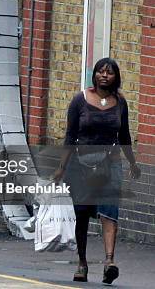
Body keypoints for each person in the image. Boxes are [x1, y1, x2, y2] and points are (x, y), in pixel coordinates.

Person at [53, 57, 141, 284]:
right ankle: (82, 263)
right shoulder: (79, 101)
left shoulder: (120, 102)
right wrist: (61, 169)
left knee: (109, 211)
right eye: (101, 71)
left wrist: (132, 163)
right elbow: (70, 136)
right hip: (80, 164)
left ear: (116, 77)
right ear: (94, 75)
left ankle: (109, 262)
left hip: (110, 163)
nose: (105, 75)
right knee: (81, 214)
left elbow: (125, 136)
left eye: (109, 72)